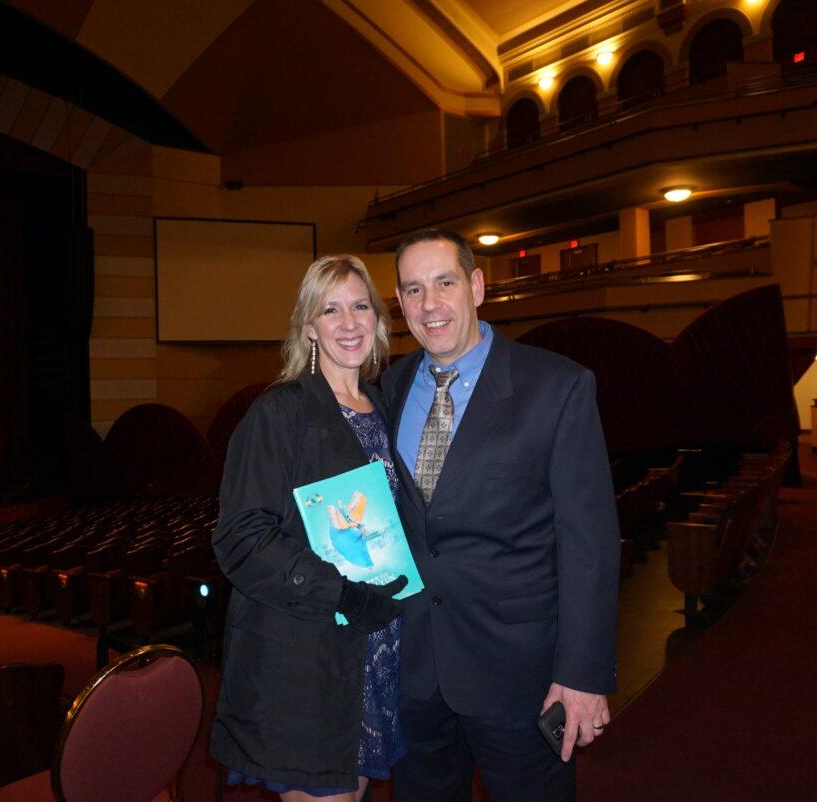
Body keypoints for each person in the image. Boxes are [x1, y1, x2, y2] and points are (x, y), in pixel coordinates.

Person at [382, 230, 620, 802]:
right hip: (415, 672)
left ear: (477, 286)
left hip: (521, 675)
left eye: (444, 282)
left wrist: (583, 675)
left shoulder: (557, 386)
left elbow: (589, 542)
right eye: (413, 290)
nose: (430, 304)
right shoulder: (388, 385)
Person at [211, 254, 409, 801]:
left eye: (360, 306)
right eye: (331, 310)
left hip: (376, 651)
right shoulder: (280, 413)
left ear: (377, 318)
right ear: (309, 329)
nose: (348, 323)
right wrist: (338, 592)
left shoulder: (385, 408)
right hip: (306, 653)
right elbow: (241, 538)